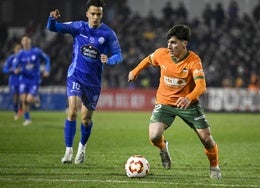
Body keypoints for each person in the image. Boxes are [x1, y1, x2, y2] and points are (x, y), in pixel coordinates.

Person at [128, 25, 221, 179]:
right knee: (154, 136)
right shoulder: (161, 54)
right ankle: (163, 148)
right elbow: (148, 60)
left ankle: (214, 166)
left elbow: (201, 86)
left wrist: (189, 98)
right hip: (164, 102)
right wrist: (135, 71)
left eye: (173, 43)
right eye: (168, 42)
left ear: (184, 43)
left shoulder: (193, 60)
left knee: (207, 139)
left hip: (188, 105)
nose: (169, 46)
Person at [46, 0, 123, 165]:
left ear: (102, 15)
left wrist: (109, 60)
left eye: (99, 14)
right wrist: (52, 19)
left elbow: (119, 55)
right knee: (72, 111)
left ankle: (82, 148)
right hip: (75, 75)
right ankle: (68, 151)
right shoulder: (77, 27)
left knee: (85, 119)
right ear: (87, 14)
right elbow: (53, 28)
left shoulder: (108, 33)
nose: (95, 17)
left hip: (93, 82)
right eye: (93, 14)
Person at [14, 35, 50, 126]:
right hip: (23, 79)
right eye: (23, 40)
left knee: (28, 101)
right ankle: (27, 119)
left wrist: (47, 69)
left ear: (29, 41)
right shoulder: (20, 54)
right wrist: (15, 69)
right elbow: (15, 65)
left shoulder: (36, 51)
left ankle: (35, 97)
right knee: (23, 101)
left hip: (34, 79)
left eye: (26, 40)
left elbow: (47, 59)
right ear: (22, 43)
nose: (25, 42)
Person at [2, 43, 22, 120]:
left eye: (20, 49)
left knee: (23, 98)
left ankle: (21, 111)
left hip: (22, 79)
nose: (18, 51)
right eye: (17, 49)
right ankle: (16, 113)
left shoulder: (23, 58)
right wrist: (12, 70)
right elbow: (4, 69)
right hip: (13, 80)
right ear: (14, 50)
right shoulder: (11, 58)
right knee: (15, 97)